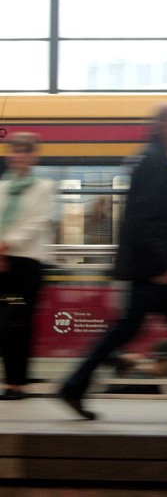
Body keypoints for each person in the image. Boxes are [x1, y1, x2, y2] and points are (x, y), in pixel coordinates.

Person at [58, 104, 167, 420]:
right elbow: (148, 219)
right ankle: (75, 385)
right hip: (158, 271)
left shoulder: (156, 159)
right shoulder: (156, 163)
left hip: (159, 268)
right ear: (164, 124)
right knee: (139, 330)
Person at [0, 133, 56, 400]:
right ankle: (12, 380)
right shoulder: (1, 186)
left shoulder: (43, 187)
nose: (18, 155)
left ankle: (16, 384)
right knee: (6, 323)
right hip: (2, 262)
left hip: (25, 265)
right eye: (15, 151)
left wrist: (6, 244)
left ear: (33, 156)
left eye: (24, 151)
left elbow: (38, 221)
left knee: (18, 323)